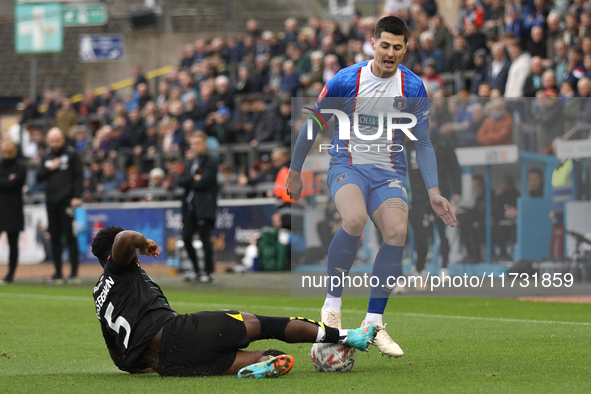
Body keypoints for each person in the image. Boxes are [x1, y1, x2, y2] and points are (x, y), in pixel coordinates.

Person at [286, 16, 457, 358]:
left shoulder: (413, 88)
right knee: (353, 220)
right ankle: (332, 305)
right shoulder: (347, 79)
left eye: (397, 47)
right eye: (384, 45)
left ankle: (374, 323)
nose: (390, 53)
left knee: (397, 231)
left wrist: (434, 190)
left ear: (406, 48)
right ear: (373, 44)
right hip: (347, 164)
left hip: (389, 172)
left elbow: (423, 143)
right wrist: (294, 170)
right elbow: (313, 124)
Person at [91, 226, 379, 378]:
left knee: (272, 355)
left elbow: (119, 359)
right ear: (112, 256)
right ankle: (347, 335)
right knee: (262, 324)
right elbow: (127, 238)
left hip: (169, 365)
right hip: (176, 332)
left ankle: (261, 363)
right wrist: (141, 241)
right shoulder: (120, 266)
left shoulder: (99, 296)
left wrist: (150, 365)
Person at [36, 128, 83, 284]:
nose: (54, 144)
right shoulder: (47, 156)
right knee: (54, 236)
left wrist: (76, 196)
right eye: (51, 141)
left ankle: (74, 273)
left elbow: (78, 176)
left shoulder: (71, 155)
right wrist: (50, 168)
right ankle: (58, 272)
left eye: (57, 140)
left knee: (70, 236)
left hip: (67, 201)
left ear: (62, 139)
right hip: (51, 201)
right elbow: (39, 176)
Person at [178, 131, 218, 283]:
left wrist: (192, 180)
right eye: (193, 144)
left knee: (205, 239)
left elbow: (204, 182)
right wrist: (193, 178)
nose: (195, 146)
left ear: (204, 144)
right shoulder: (189, 163)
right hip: (189, 206)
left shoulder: (211, 162)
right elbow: (180, 181)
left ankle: (208, 271)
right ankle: (196, 269)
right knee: (186, 238)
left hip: (204, 207)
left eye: (198, 143)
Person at [0, 140, 26, 284]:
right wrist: (8, 180)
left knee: (13, 243)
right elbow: (10, 183)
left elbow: (16, 183)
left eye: (9, 152)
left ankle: (10, 274)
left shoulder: (20, 166)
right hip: (2, 207)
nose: (7, 155)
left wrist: (6, 181)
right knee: (12, 243)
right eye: (5, 152)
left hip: (14, 209)